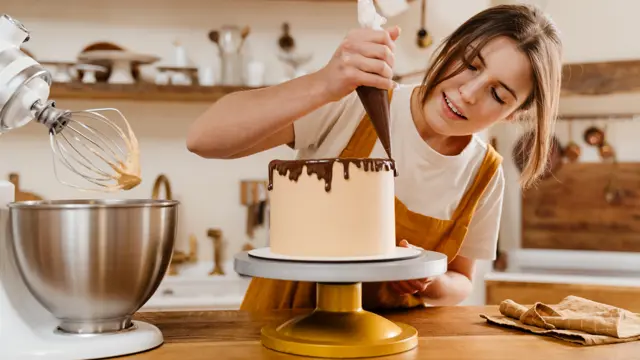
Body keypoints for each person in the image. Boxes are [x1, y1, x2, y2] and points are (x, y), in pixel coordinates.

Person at [186, 4, 563, 311]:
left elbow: (462, 281)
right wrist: (324, 83)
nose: (469, 93)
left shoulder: (483, 173)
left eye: (499, 95)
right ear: (451, 47)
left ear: (514, 114)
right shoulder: (351, 103)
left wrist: (428, 282)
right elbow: (204, 139)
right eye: (471, 63)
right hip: (280, 324)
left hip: (394, 343)